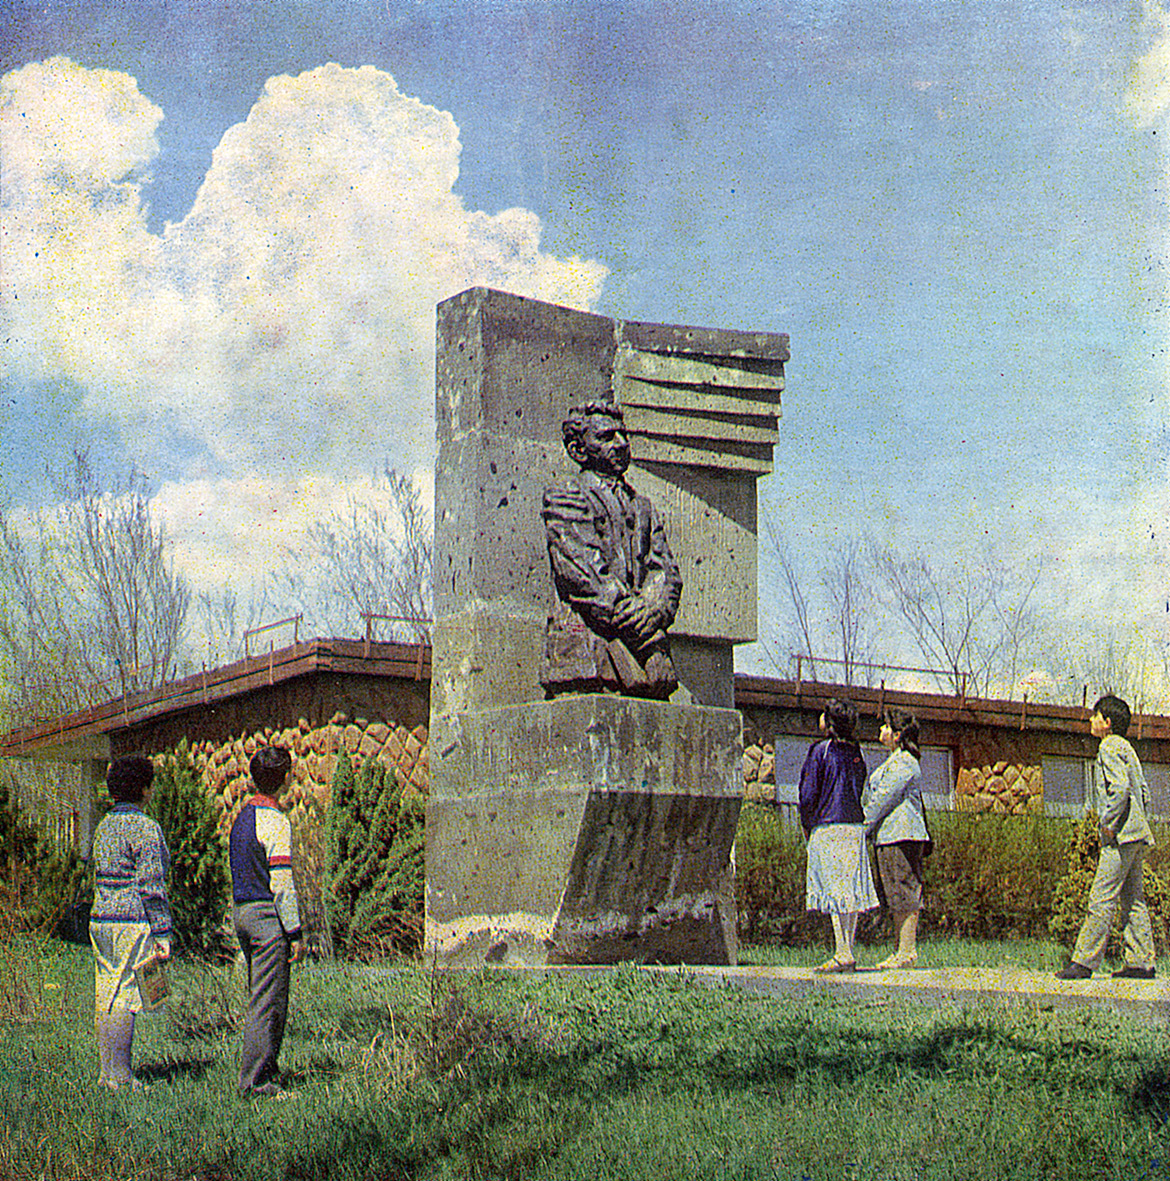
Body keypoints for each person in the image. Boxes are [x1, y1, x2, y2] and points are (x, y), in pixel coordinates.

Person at [541, 400, 683, 698]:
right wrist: (644, 633)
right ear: (578, 450)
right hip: (590, 650)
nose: (621, 444)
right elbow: (583, 572)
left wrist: (655, 611)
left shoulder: (643, 507)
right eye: (606, 437)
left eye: (623, 435)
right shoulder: (566, 496)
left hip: (643, 650)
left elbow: (665, 572)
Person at [1056, 694, 1156, 980]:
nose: (1091, 720)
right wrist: (1139, 822)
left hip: (1121, 836)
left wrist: (1108, 824)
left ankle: (1084, 962)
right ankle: (1141, 962)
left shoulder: (1108, 746)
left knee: (1101, 896)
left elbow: (1120, 789)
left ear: (1107, 722)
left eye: (1095, 715)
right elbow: (1144, 792)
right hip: (1137, 835)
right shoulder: (1128, 748)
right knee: (1134, 898)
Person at [89, 754, 172, 1091]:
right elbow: (152, 885)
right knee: (126, 996)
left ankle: (106, 1072)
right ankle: (121, 1077)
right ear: (144, 789)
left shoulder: (103, 825)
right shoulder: (146, 828)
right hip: (131, 922)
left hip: (101, 919)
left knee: (106, 992)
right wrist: (163, 931)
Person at [230, 745, 306, 1096]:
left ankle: (266, 1071)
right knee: (267, 1002)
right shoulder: (276, 821)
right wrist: (295, 931)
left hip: (241, 912)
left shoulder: (241, 818)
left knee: (261, 996)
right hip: (266, 917)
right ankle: (256, 1082)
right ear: (286, 778)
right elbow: (282, 884)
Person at [799, 698, 878, 972]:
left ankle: (842, 951)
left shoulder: (820, 750)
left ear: (830, 722)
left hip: (828, 826)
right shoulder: (856, 751)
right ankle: (847, 950)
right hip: (854, 826)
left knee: (834, 891)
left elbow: (808, 793)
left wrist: (807, 823)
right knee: (850, 891)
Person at [863, 708, 931, 969]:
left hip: (902, 836)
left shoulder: (904, 762)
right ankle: (900, 949)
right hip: (888, 836)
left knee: (904, 889)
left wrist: (862, 827)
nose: (881, 730)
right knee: (894, 893)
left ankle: (907, 950)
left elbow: (883, 798)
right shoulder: (894, 760)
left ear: (898, 734)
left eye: (886, 726)